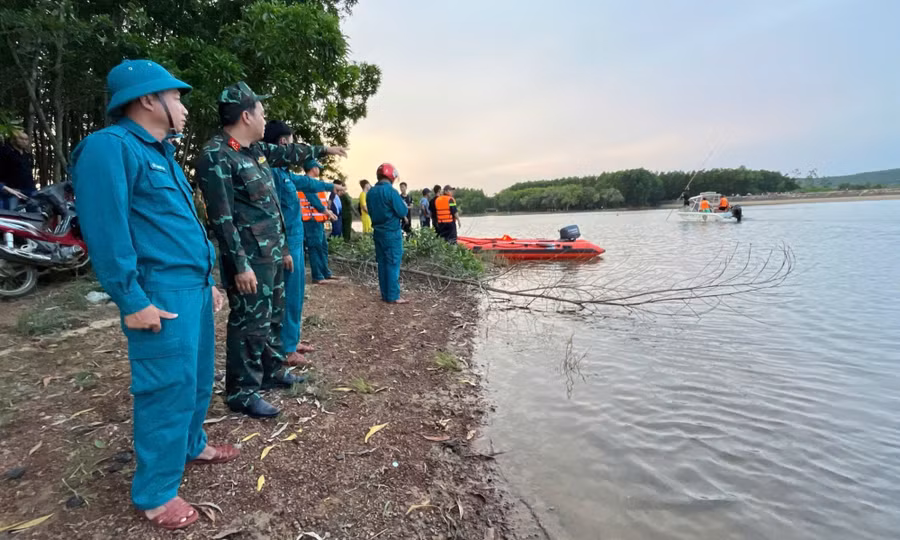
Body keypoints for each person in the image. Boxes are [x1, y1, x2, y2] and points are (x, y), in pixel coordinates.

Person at [70, 59, 236, 531]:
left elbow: (177, 227)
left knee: (197, 379)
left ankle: (192, 444)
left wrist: (207, 280)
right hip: (158, 290)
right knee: (165, 388)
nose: (184, 107)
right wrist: (131, 299)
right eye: (176, 97)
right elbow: (107, 230)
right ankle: (156, 493)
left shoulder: (162, 153)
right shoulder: (109, 148)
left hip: (191, 287)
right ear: (147, 99)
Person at [195, 81, 347, 419]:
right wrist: (240, 265)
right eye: (262, 112)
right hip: (249, 259)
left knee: (273, 316)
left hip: (272, 254)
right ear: (246, 116)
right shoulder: (217, 155)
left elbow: (289, 155)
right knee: (249, 324)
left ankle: (272, 371)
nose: (266, 119)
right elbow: (222, 219)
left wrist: (325, 150)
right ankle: (242, 391)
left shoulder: (255, 151)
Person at [262, 120, 342, 368]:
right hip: (287, 243)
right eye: (292, 140)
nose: (294, 145)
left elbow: (306, 183)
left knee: (296, 294)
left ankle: (292, 340)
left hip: (296, 241)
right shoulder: (273, 173)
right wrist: (284, 248)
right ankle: (286, 349)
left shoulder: (283, 172)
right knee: (288, 296)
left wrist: (330, 186)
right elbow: (274, 214)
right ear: (283, 142)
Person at [367, 163, 409, 304]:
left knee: (382, 263)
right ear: (391, 176)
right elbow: (402, 211)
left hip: (377, 232)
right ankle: (393, 296)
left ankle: (385, 294)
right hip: (391, 233)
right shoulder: (391, 192)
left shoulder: (371, 192)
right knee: (392, 263)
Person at [299, 158, 340, 284]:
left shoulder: (314, 183)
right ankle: (317, 276)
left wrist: (328, 212)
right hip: (311, 221)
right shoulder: (306, 183)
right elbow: (314, 201)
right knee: (315, 247)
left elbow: (320, 202)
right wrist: (327, 212)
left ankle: (325, 273)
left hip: (318, 220)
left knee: (322, 247)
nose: (319, 170)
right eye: (318, 168)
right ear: (313, 168)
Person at [0, 130, 36, 210]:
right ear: (14, 139)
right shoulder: (5, 151)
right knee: (12, 213)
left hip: (29, 189)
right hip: (11, 190)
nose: (24, 141)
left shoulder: (27, 155)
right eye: (21, 139)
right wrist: (4, 187)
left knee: (33, 212)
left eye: (26, 139)